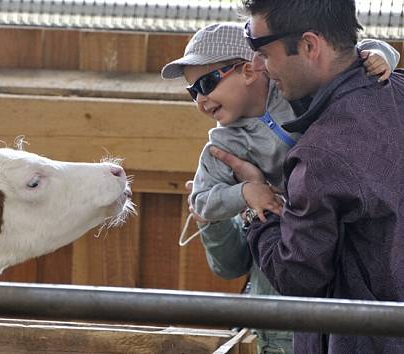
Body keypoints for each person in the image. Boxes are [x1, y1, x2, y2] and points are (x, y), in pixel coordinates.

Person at [160, 21, 399, 354]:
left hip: (348, 264)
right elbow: (201, 202)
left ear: (249, 69)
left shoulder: (296, 92)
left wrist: (382, 54)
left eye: (207, 83)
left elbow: (350, 58)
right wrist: (247, 193)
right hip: (282, 292)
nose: (200, 100)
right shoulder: (222, 146)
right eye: (192, 92)